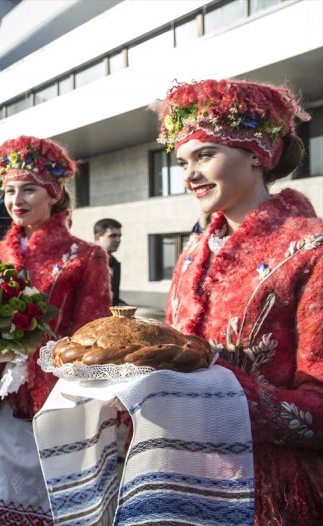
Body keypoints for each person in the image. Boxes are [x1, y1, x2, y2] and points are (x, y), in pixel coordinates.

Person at [155, 79, 322, 525]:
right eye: (182, 161)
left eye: (205, 155)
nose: (188, 175)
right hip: (180, 475)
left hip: (268, 490)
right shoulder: (193, 252)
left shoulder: (312, 249)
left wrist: (218, 398)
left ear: (258, 154)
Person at [0, 136, 111, 525]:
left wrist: (24, 353)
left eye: (28, 189)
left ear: (54, 194)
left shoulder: (86, 257)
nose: (16, 200)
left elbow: (93, 344)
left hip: (44, 412)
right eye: (9, 190)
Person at [93, 217, 125, 306]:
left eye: (119, 236)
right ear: (97, 237)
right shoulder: (87, 261)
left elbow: (112, 296)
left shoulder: (114, 262)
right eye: (112, 236)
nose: (118, 240)